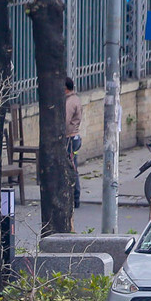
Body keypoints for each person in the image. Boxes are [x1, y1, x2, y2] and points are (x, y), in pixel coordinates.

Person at [65, 77, 83, 208]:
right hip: (74, 137)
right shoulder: (75, 99)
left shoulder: (69, 102)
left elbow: (65, 121)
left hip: (69, 138)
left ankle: (74, 197)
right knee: (72, 166)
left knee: (71, 168)